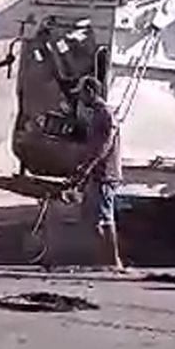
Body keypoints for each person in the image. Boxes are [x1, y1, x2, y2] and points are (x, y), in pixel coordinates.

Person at [72, 76, 124, 271]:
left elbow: (103, 146)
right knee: (94, 219)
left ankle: (114, 262)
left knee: (105, 219)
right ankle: (104, 260)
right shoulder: (97, 114)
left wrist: (87, 167)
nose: (80, 98)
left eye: (82, 93)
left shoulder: (104, 114)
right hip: (98, 174)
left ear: (90, 91)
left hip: (105, 175)